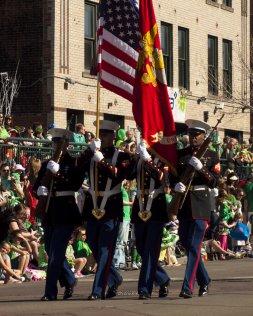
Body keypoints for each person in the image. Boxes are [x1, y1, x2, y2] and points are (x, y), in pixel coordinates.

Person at [34, 127, 93, 301]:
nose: (57, 145)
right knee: (52, 252)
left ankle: (50, 292)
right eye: (55, 142)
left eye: (60, 142)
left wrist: (57, 174)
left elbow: (74, 185)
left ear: (66, 143)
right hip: (49, 211)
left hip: (65, 212)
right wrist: (40, 190)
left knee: (56, 254)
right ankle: (69, 279)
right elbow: (36, 186)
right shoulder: (46, 164)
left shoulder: (73, 163)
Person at [82, 120, 135, 300]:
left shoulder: (120, 156)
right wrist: (90, 151)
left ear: (113, 137)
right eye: (100, 134)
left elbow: (120, 175)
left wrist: (102, 161)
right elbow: (77, 167)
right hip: (92, 206)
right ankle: (115, 277)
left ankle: (98, 289)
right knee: (92, 242)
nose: (102, 137)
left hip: (111, 206)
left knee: (105, 249)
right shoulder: (92, 152)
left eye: (105, 135)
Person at [171, 119, 220, 298]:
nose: (192, 137)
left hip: (201, 204)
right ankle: (205, 279)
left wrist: (201, 169)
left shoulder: (212, 155)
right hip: (184, 203)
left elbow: (215, 181)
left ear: (203, 136)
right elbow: (174, 176)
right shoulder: (181, 154)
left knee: (194, 246)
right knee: (186, 243)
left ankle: (187, 287)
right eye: (190, 134)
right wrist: (175, 186)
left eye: (196, 134)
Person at [131, 142, 170, 299]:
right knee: (141, 248)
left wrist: (147, 160)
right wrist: (136, 157)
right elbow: (129, 175)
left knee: (150, 251)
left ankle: (145, 288)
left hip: (155, 207)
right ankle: (162, 278)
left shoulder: (163, 157)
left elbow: (162, 178)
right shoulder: (141, 156)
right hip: (140, 208)